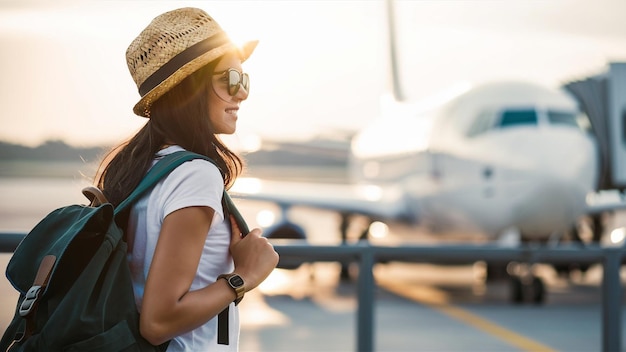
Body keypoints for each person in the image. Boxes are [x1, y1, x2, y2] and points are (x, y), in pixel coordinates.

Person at [94, 7, 279, 351]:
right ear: (190, 87)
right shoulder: (195, 174)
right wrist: (245, 276)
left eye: (244, 79)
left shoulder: (138, 166)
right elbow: (158, 321)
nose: (242, 93)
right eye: (230, 80)